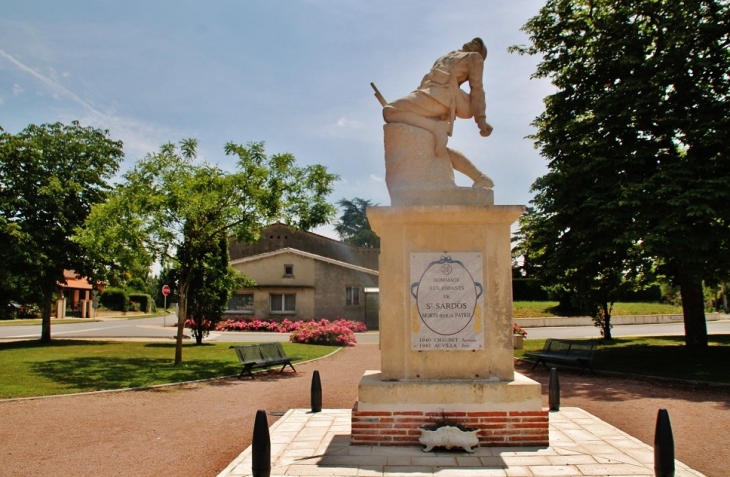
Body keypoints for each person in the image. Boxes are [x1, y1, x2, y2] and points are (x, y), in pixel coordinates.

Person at [383, 37, 494, 188]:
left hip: (441, 96)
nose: (473, 43)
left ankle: (435, 127)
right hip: (427, 92)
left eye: (478, 44)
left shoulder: (474, 57)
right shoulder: (447, 56)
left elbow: (477, 88)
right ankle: (479, 177)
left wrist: (481, 120)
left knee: (390, 111)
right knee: (432, 147)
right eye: (474, 41)